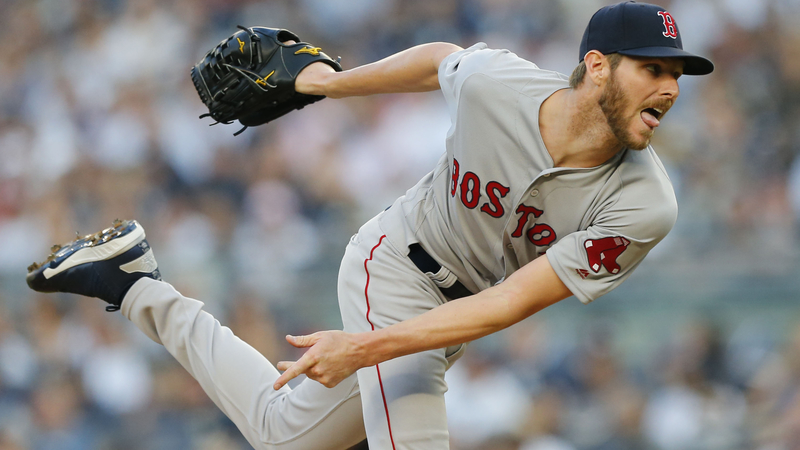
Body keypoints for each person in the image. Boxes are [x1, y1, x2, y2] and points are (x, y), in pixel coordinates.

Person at [27, 2, 714, 449]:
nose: (670, 89)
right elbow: (440, 61)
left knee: (280, 434)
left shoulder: (644, 205)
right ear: (596, 66)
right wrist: (325, 83)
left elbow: (507, 304)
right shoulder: (503, 85)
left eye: (677, 75)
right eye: (652, 69)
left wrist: (369, 349)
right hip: (393, 263)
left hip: (452, 315)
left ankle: (136, 285)